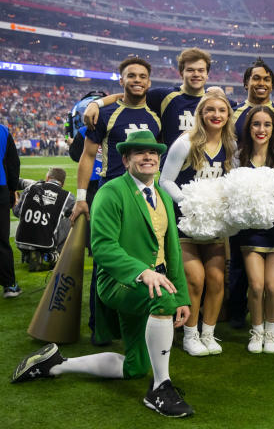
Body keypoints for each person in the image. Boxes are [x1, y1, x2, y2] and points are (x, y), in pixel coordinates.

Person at [12, 130, 193, 417]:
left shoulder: (162, 196)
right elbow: (103, 247)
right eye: (139, 153)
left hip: (151, 282)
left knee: (134, 367)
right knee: (162, 300)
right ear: (126, 159)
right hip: (119, 283)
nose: (148, 157)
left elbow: (173, 252)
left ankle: (55, 364)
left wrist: (182, 295)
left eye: (153, 153)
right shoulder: (111, 191)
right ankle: (160, 388)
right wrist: (142, 273)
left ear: (159, 160)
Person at [71, 57, 161, 345]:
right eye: (131, 75)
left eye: (142, 76)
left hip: (145, 198)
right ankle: (101, 327)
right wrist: (82, 198)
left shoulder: (156, 116)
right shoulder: (105, 113)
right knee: (105, 262)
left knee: (141, 259)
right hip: (111, 195)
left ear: (149, 81)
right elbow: (87, 156)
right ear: (121, 80)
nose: (137, 80)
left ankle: (133, 323)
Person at [159, 91, 236, 356]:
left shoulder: (231, 146)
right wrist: (189, 201)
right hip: (187, 221)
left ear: (228, 116)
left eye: (222, 111)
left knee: (216, 279)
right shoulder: (186, 142)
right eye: (210, 110)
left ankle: (209, 333)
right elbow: (165, 180)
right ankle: (190, 334)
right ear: (200, 114)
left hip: (214, 223)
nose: (216, 115)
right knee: (195, 279)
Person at [227, 58, 274, 331]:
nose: (261, 83)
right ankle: (238, 312)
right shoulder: (233, 113)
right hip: (245, 217)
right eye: (256, 78)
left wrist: (269, 205)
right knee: (243, 271)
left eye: (266, 79)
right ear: (246, 83)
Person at [234, 106, 274, 354]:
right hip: (250, 229)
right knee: (256, 285)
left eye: (267, 124)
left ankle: (271, 332)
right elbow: (234, 191)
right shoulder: (239, 156)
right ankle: (256, 331)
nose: (261, 130)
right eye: (256, 124)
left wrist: (265, 205)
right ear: (249, 129)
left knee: (272, 286)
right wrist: (253, 208)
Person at [84, 48, 212, 152]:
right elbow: (126, 96)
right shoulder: (164, 96)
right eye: (190, 70)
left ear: (207, 74)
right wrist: (95, 103)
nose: (196, 74)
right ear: (181, 73)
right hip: (172, 173)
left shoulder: (216, 102)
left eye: (201, 70)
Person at [13, 167, 75, 271]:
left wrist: (16, 202)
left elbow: (17, 213)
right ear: (63, 184)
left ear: (47, 178)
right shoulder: (68, 196)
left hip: (21, 242)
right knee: (70, 220)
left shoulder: (30, 188)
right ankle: (54, 256)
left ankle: (29, 255)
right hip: (46, 244)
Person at [1, 124, 20, 298]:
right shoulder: (3, 131)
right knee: (2, 240)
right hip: (0, 188)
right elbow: (13, 163)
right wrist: (13, 189)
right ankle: (9, 285)